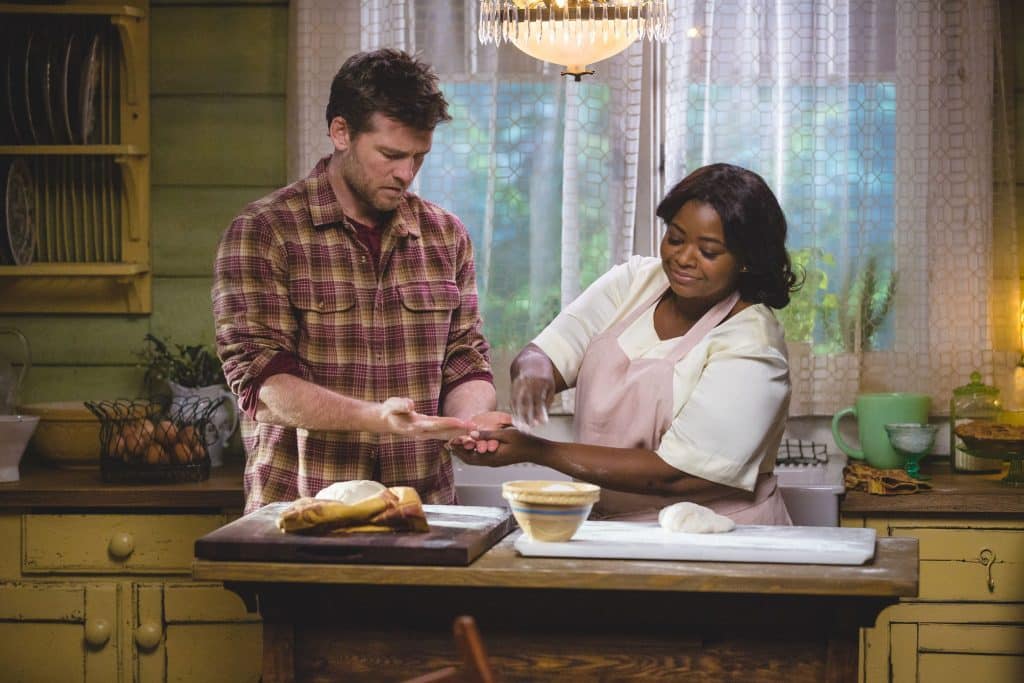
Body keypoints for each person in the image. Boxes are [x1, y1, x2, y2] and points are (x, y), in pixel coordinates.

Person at [213, 49, 507, 513]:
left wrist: (468, 421)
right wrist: (377, 419)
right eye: (391, 155)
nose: (406, 174)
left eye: (418, 157)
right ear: (341, 132)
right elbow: (263, 382)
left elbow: (464, 358)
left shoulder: (446, 236)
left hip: (423, 514)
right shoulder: (264, 232)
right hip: (299, 515)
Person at [453, 163, 799, 524]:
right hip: (616, 531)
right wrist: (534, 374)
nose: (683, 258)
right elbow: (547, 351)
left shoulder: (752, 342)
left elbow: (675, 475)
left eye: (708, 251)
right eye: (676, 238)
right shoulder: (636, 281)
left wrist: (537, 450)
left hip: (719, 539)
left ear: (746, 261)